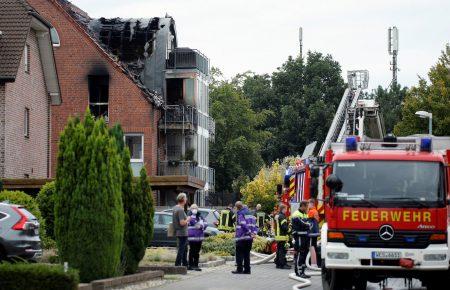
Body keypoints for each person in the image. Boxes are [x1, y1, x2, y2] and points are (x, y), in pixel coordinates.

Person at [232, 201, 257, 274]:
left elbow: (243, 224)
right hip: (249, 238)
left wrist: (249, 232)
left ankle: (239, 269)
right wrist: (254, 233)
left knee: (239, 254)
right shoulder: (251, 214)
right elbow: (255, 225)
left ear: (237, 207)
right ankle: (247, 270)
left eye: (235, 208)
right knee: (247, 254)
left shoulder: (240, 214)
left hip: (241, 237)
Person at [291, 201, 312, 278]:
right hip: (299, 236)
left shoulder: (304, 214)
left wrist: (308, 225)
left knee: (304, 253)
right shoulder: (296, 214)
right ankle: (299, 272)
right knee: (300, 253)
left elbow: (309, 224)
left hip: (305, 236)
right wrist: (308, 225)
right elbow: (304, 224)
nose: (307, 208)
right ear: (302, 206)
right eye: (306, 206)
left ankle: (303, 271)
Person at [187, 204, 207, 271]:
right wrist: (199, 225)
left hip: (199, 237)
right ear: (190, 209)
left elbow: (205, 223)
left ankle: (196, 265)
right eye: (193, 208)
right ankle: (190, 265)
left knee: (197, 252)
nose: (194, 209)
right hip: (192, 237)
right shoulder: (189, 216)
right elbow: (193, 224)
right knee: (192, 251)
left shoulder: (200, 216)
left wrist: (202, 225)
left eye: (195, 208)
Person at [173, 193, 190, 267]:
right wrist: (188, 219)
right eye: (186, 198)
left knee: (184, 249)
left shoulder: (175, 208)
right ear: (183, 199)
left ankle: (185, 264)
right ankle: (177, 264)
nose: (186, 199)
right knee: (182, 249)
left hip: (179, 232)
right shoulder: (180, 209)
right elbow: (182, 223)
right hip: (182, 232)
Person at [274, 204, 291, 269]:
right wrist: (289, 230)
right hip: (282, 236)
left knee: (279, 250)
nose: (286, 210)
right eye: (286, 209)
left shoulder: (277, 216)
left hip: (278, 236)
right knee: (282, 251)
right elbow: (284, 226)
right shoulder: (282, 216)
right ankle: (282, 264)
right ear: (283, 209)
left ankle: (278, 263)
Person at [307, 198, 320, 268]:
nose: (307, 205)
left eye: (308, 204)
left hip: (311, 233)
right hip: (315, 232)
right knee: (314, 246)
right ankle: (315, 263)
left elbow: (306, 220)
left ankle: (313, 263)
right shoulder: (315, 211)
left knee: (311, 247)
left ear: (311, 204)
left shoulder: (311, 212)